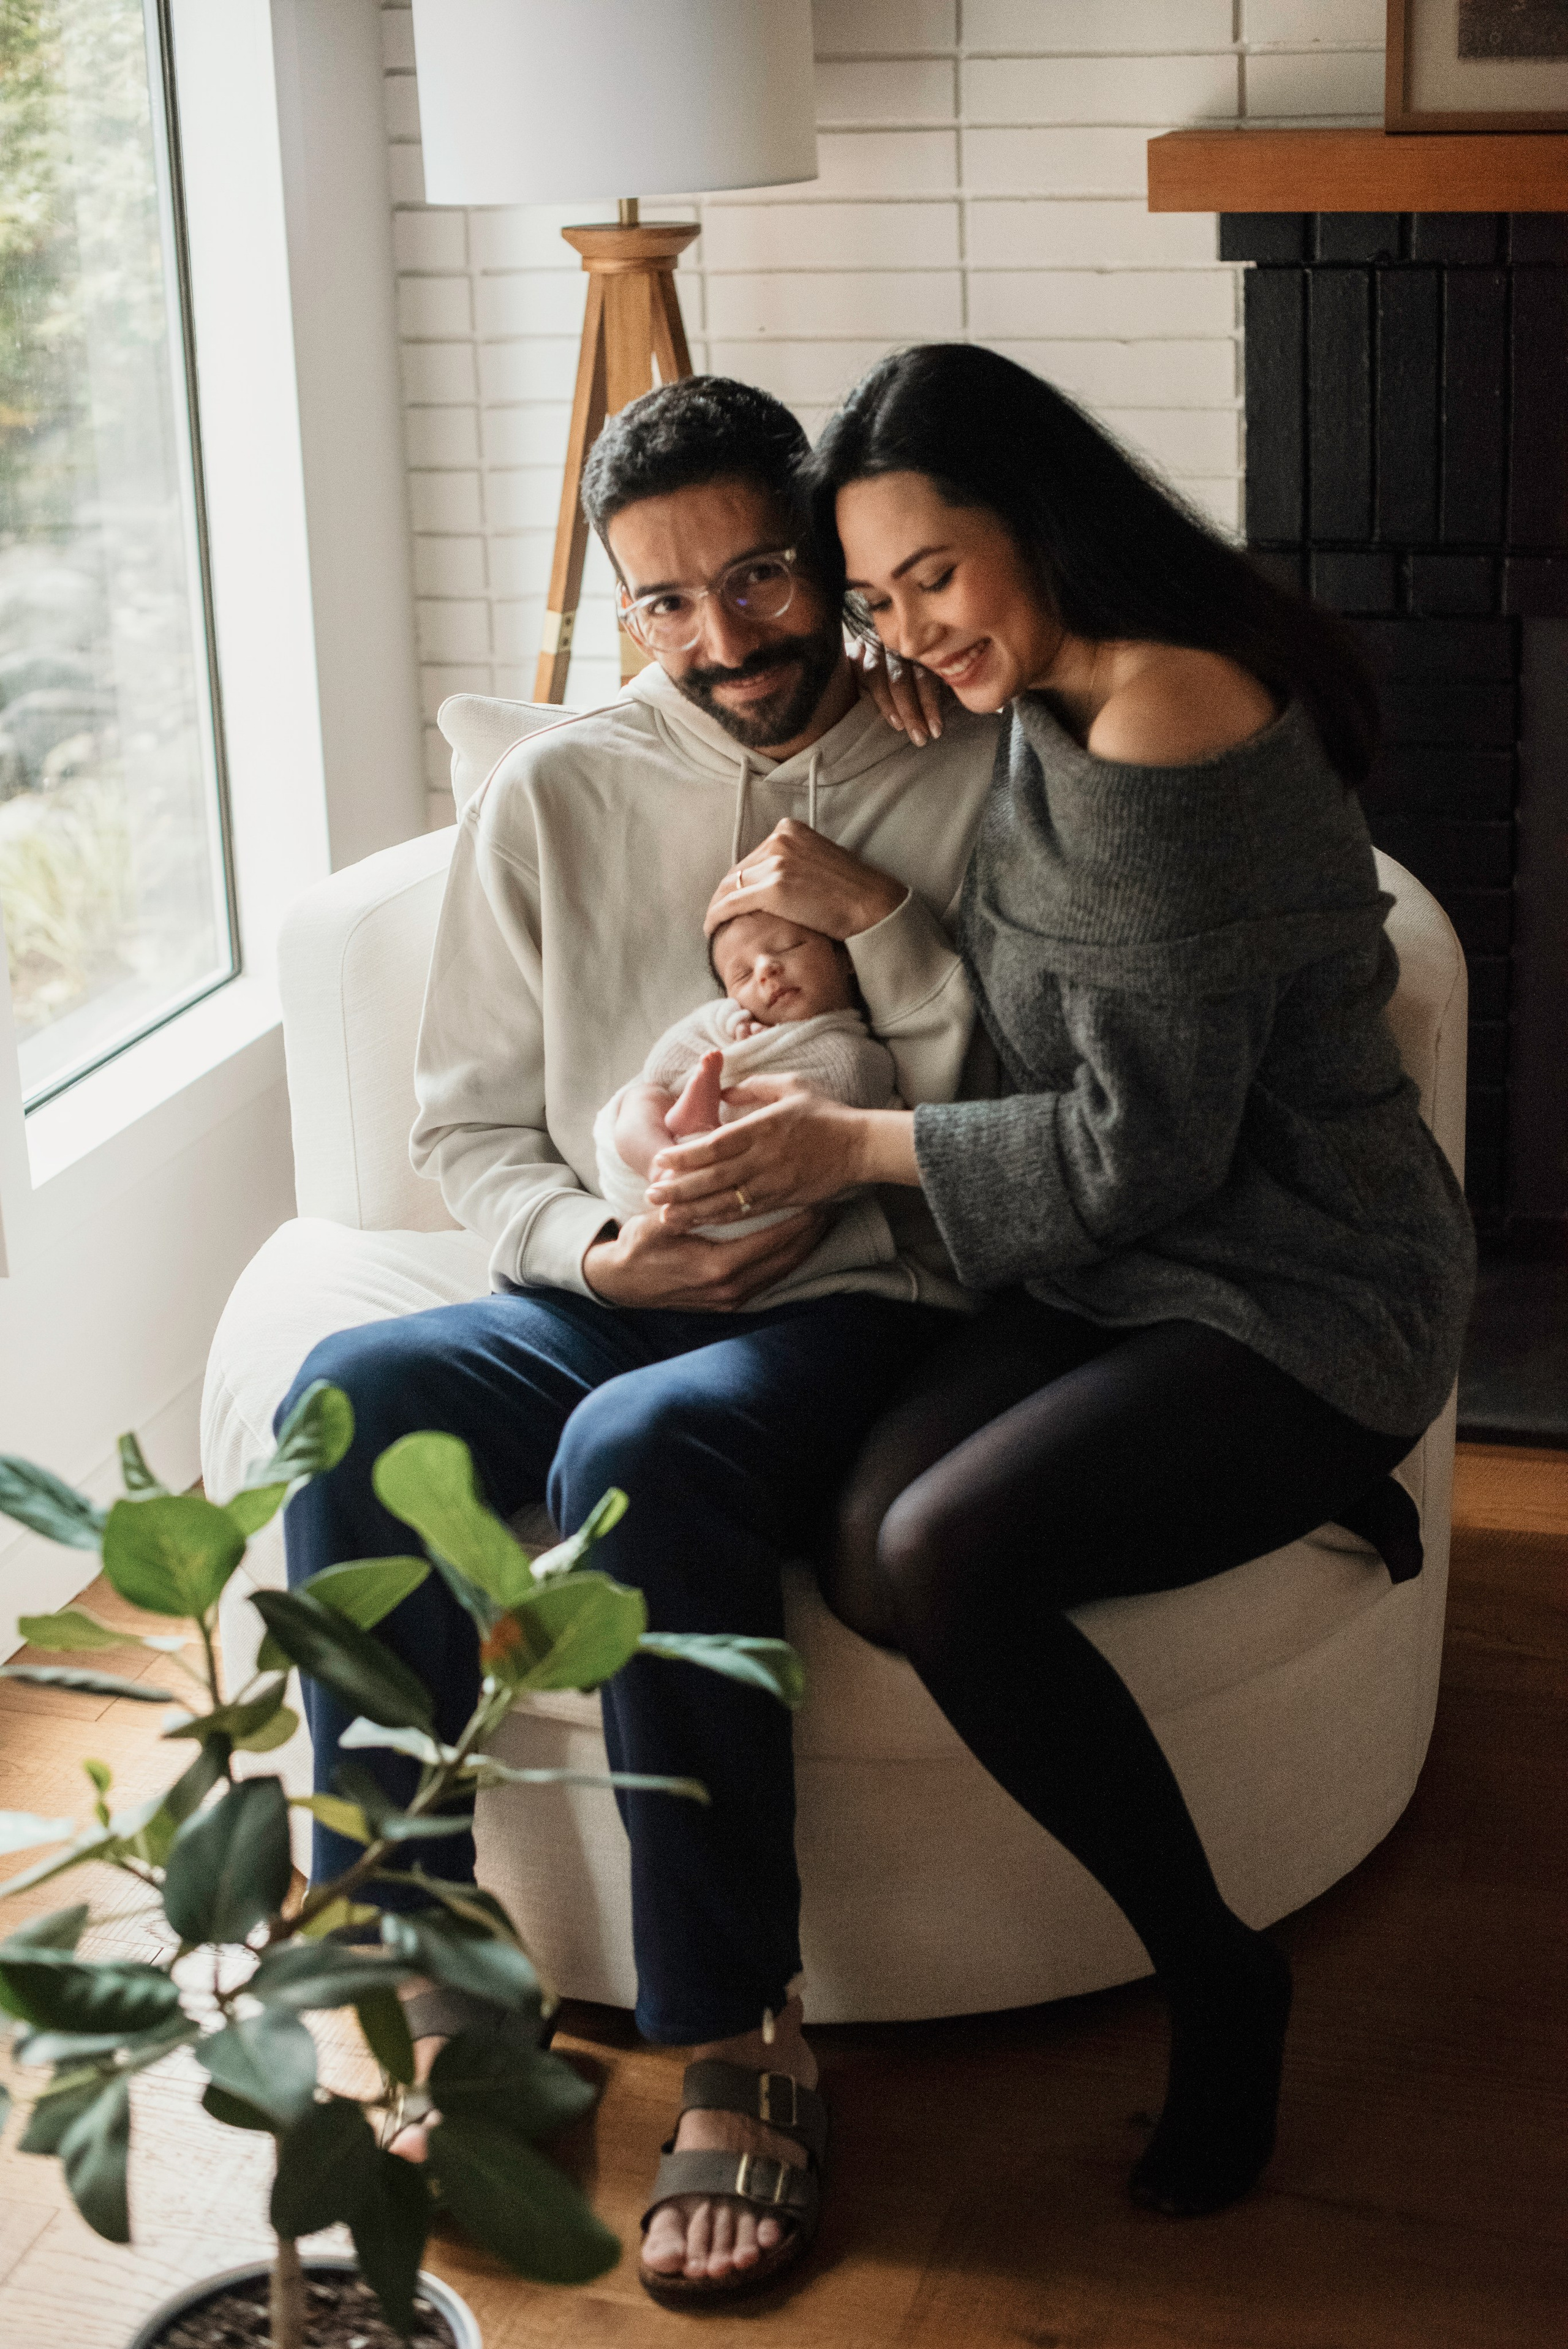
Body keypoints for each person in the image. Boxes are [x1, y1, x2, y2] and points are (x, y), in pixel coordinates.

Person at [643, 344, 1476, 2225]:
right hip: (1132, 1260)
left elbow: (1140, 1152)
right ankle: (1221, 1478)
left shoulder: (1168, 716)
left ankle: (1215, 1969)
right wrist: (883, 863)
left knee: (943, 1557)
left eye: (934, 576)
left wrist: (845, 1147)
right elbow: (1066, 1023)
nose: (904, 632)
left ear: (1046, 521)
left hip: (1297, 1268)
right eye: (870, 597)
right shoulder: (1044, 690)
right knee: (868, 1545)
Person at [272, 375, 1003, 2304]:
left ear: (826, 559)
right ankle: (436, 1997)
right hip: (603, 1286)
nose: (717, 640)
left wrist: (887, 929)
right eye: (660, 604)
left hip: (865, 1297)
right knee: (348, 1394)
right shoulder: (557, 791)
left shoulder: (973, 759)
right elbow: (465, 1127)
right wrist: (599, 1252)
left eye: (756, 579)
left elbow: (1043, 1106)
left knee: (641, 1454)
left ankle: (739, 2032)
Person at [594, 907, 898, 1239]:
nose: (766, 968)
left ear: (846, 959)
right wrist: (732, 1023)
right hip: (657, 1184)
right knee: (642, 1095)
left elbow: (861, 1117)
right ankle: (660, 1160)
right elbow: (661, 1070)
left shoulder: (859, 1053)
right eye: (742, 975)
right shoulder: (727, 1022)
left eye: (788, 947)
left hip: (760, 1193)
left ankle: (697, 1135)